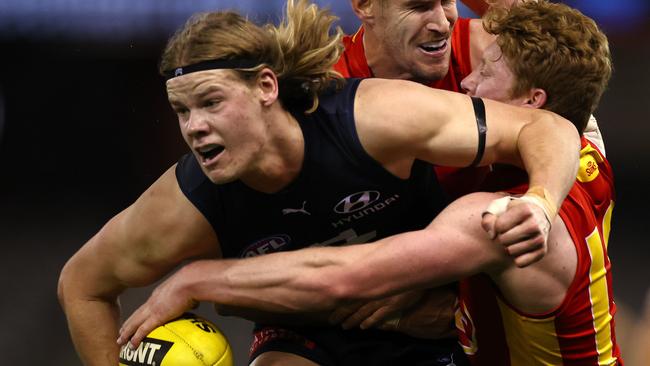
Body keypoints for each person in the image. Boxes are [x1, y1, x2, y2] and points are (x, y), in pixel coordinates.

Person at [58, 0, 581, 365]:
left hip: (433, 321)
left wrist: (539, 202)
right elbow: (81, 285)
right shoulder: (187, 200)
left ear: (267, 86)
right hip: (305, 337)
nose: (194, 127)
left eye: (212, 102)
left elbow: (548, 127)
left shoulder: (371, 116)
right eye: (181, 110)